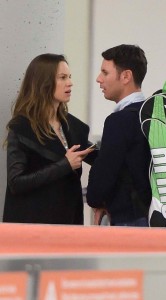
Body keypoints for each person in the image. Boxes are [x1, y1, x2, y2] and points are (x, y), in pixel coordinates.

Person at [3, 53, 97, 225]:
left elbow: (100, 158)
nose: (70, 83)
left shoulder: (74, 126)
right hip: (32, 226)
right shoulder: (21, 127)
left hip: (68, 222)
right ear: (43, 83)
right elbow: (16, 183)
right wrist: (64, 165)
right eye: (62, 78)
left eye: (69, 77)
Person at [86, 44, 152, 226]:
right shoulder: (151, 114)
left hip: (129, 221)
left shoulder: (120, 121)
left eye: (105, 73)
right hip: (153, 217)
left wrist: (96, 200)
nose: (99, 79)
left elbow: (100, 183)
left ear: (126, 76)